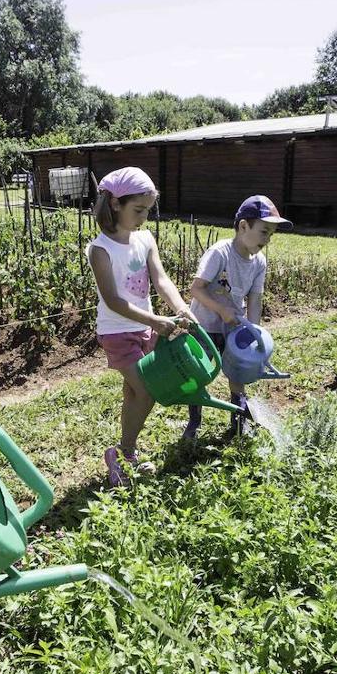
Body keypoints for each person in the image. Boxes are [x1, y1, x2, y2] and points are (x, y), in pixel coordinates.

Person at [86, 166, 196, 486]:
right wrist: (156, 321)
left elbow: (160, 280)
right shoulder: (100, 250)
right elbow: (114, 301)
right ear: (115, 204)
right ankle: (123, 453)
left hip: (145, 328)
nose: (144, 217)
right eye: (138, 210)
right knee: (147, 391)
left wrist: (179, 307)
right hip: (117, 331)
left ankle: (126, 454)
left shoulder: (145, 238)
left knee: (134, 393)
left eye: (148, 210)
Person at [184, 195, 291, 439]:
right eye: (264, 231)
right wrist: (221, 310)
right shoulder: (220, 253)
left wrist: (254, 335)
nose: (267, 239)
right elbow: (196, 289)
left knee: (238, 374)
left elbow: (255, 299)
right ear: (244, 226)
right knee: (199, 374)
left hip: (233, 329)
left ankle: (239, 422)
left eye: (271, 234)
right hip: (205, 327)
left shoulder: (259, 262)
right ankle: (194, 423)